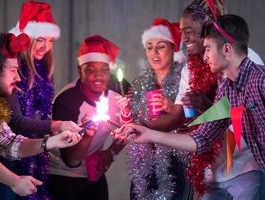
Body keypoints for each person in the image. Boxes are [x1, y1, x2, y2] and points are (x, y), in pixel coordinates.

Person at [121, 14, 265, 196]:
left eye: (208, 49)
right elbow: (202, 138)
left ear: (227, 50)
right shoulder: (227, 90)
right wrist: (149, 134)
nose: (204, 57)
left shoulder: (260, 80)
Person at [0, 30, 81, 200]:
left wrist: (50, 142)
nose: (18, 78)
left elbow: (8, 143)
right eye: (13, 70)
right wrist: (15, 181)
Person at [0, 1, 72, 200]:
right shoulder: (12, 67)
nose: (46, 47)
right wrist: (58, 125)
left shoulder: (44, 68)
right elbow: (16, 121)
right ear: (26, 38)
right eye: (40, 40)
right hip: (9, 156)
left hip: (35, 151)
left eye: (51, 40)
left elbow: (41, 113)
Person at [115, 18, 192, 199]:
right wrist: (125, 112)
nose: (154, 52)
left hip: (177, 163)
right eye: (149, 47)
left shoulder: (185, 79)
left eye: (161, 46)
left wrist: (174, 108)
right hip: (144, 166)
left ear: (174, 48)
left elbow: (196, 121)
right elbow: (131, 128)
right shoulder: (139, 84)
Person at [46, 35, 125, 200]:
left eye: (104, 70)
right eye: (90, 70)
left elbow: (132, 126)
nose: (98, 77)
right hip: (61, 176)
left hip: (93, 174)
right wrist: (87, 136)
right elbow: (71, 160)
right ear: (79, 70)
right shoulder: (67, 101)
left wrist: (110, 153)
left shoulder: (120, 91)